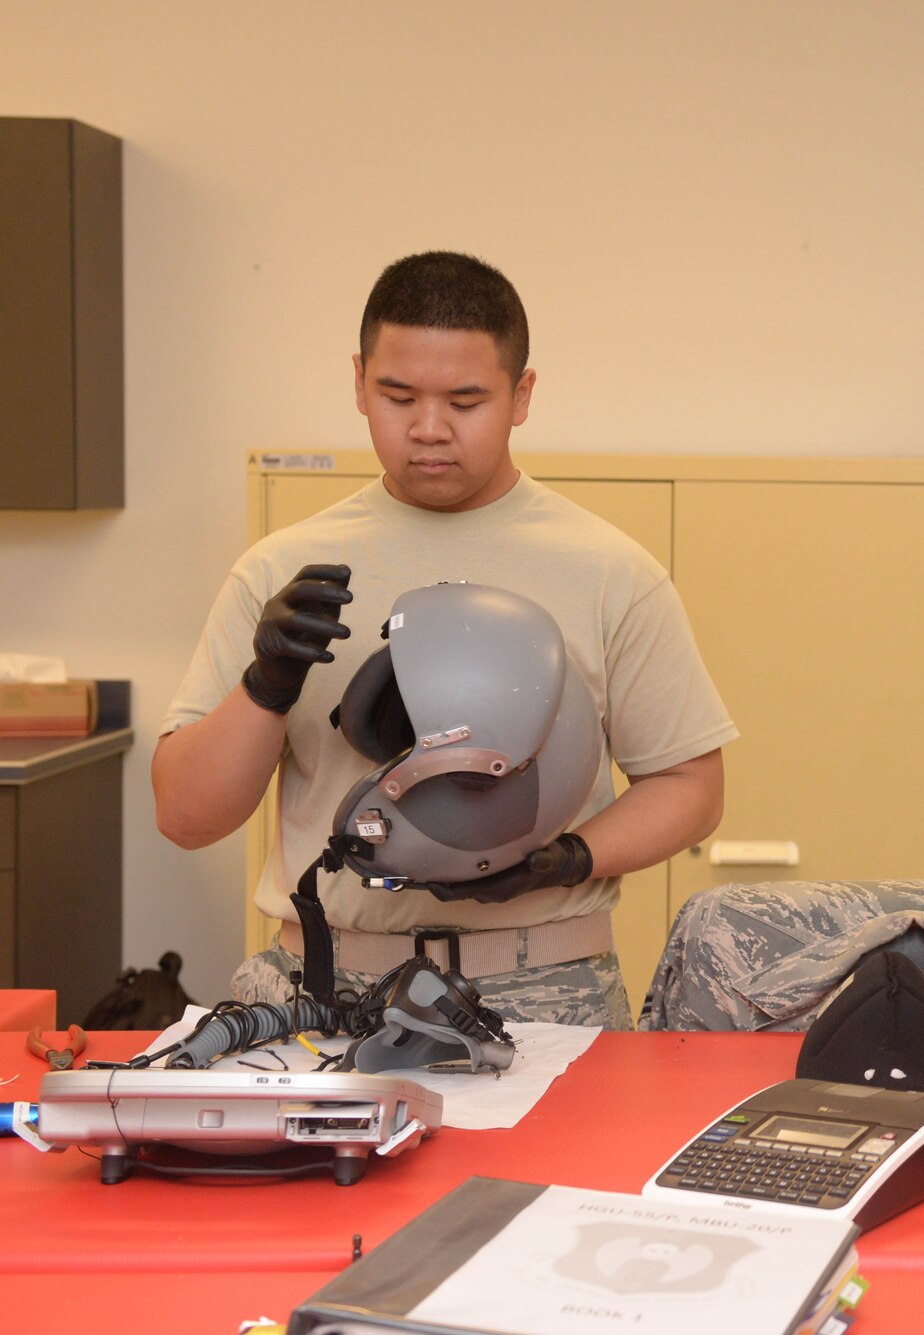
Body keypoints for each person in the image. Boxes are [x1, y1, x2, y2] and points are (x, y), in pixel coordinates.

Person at [155, 251, 736, 1028]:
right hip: (319, 987)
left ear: (522, 394)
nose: (429, 428)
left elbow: (691, 786)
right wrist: (264, 686)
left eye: (466, 400)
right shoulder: (280, 571)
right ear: (359, 381)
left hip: (544, 990)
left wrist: (571, 858)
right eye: (397, 396)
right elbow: (186, 818)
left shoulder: (610, 571)